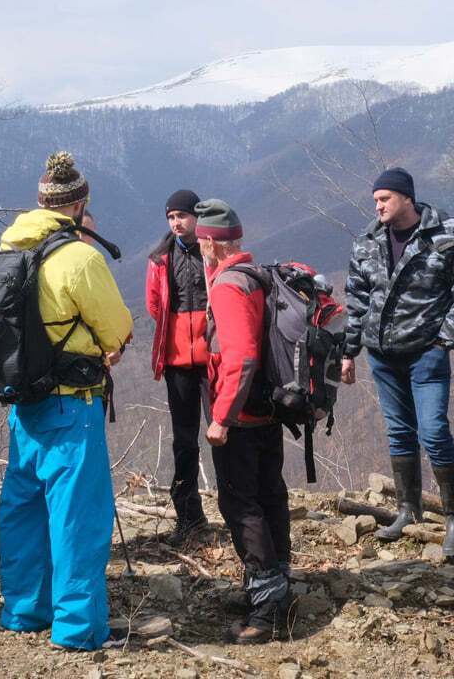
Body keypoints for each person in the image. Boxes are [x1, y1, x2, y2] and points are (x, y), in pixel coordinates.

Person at [0, 152, 134, 651]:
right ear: (80, 205)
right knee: (77, 513)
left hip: (22, 402)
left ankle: (23, 611)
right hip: (71, 402)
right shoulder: (79, 257)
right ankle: (78, 629)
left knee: (24, 508)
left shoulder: (8, 248)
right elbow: (116, 327)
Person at [341, 167, 454, 558]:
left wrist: (445, 341)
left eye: (385, 199)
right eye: (375, 200)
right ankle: (408, 509)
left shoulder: (448, 236)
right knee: (399, 432)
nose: (378, 206)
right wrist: (348, 350)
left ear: (407, 197)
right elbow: (356, 301)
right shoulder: (368, 241)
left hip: (427, 353)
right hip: (383, 355)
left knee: (434, 432)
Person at [197, 198, 292, 644]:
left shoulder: (228, 287)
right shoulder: (259, 276)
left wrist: (221, 418)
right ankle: (277, 586)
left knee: (241, 504)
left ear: (212, 246)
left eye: (200, 244)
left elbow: (240, 356)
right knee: (270, 494)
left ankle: (267, 609)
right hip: (268, 409)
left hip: (242, 414)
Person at [144, 188, 210, 544]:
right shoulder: (159, 259)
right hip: (176, 362)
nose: (176, 222)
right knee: (184, 440)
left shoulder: (212, 252)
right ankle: (188, 515)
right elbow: (156, 307)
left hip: (213, 360)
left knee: (223, 434)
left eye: (181, 216)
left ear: (196, 217)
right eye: (171, 217)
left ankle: (237, 508)